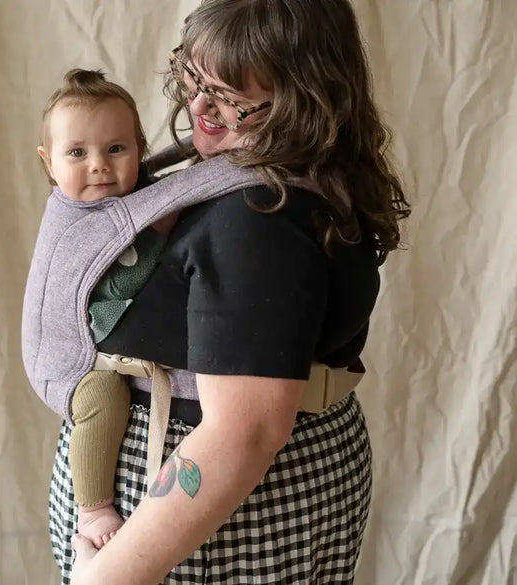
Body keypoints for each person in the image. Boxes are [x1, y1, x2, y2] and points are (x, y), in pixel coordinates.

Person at [48, 1, 411, 583]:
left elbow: (244, 433)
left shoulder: (260, 213)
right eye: (191, 79)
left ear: (304, 99)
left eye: (229, 98)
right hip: (215, 509)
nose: (197, 107)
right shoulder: (280, 172)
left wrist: (106, 577)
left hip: (219, 520)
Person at [35, 68, 174, 549]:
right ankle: (93, 510)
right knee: (101, 396)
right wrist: (158, 234)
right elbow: (120, 283)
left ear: (139, 148)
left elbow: (159, 183)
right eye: (77, 153)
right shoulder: (77, 221)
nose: (99, 165)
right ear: (48, 162)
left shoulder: (124, 196)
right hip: (66, 361)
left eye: (116, 149)